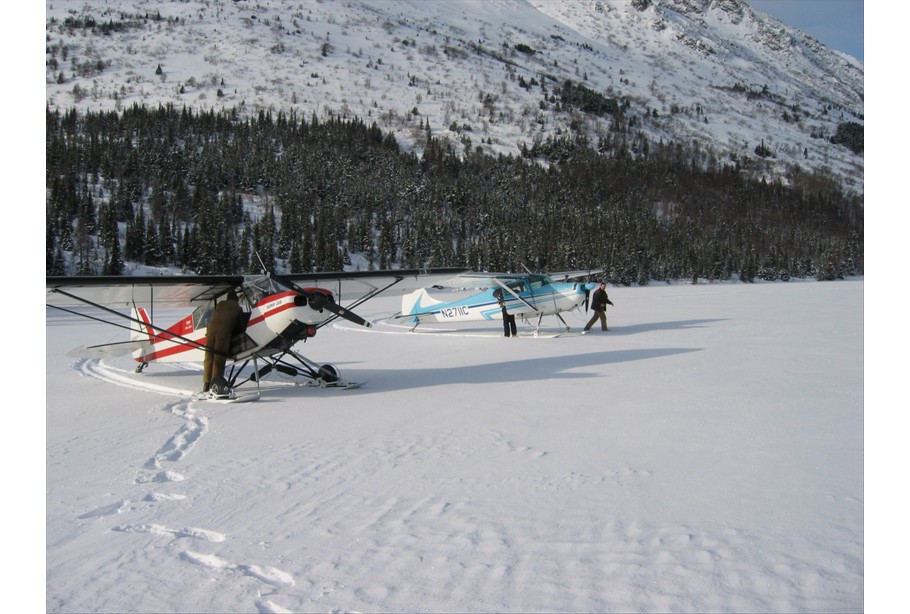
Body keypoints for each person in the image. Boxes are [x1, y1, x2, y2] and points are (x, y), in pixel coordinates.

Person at [202, 290, 243, 392]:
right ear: (236, 299)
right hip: (223, 334)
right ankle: (215, 384)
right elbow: (240, 324)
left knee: (209, 357)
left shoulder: (220, 304)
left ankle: (206, 384)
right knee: (218, 359)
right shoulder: (238, 308)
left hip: (210, 331)